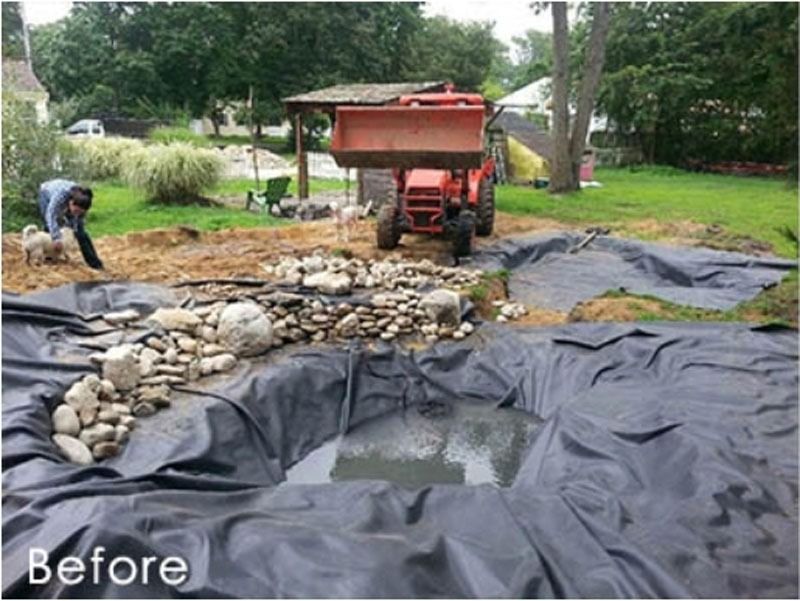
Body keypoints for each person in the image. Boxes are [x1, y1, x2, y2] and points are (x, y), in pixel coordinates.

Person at [38, 179, 104, 270]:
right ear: (71, 203)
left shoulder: (83, 201)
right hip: (46, 191)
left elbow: (77, 224)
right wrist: (56, 238)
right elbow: (51, 216)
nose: (77, 214)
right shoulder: (60, 196)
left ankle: (95, 263)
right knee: (48, 225)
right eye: (76, 211)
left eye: (81, 212)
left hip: (72, 198)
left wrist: (75, 230)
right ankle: (49, 256)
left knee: (81, 233)